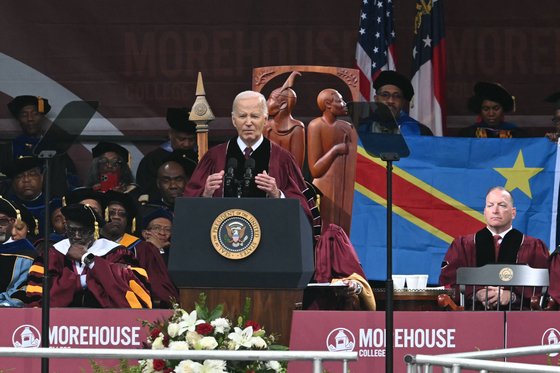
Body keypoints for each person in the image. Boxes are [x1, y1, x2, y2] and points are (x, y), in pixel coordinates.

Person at [184, 90, 319, 232]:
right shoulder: (214, 157)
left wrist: (278, 194)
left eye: (254, 116)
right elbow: (187, 206)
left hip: (270, 242)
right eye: (242, 116)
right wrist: (205, 195)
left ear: (265, 119)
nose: (248, 122)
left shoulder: (282, 159)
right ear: (233, 120)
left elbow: (303, 212)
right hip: (222, 241)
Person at [439, 186, 549, 309]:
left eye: (502, 205)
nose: (495, 210)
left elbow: (545, 288)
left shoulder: (534, 246)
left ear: (513, 213)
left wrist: (512, 296)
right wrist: (476, 294)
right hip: (472, 317)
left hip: (520, 318)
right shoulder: (463, 245)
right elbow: (448, 284)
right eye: (490, 205)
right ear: (484, 211)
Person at [25, 203, 152, 308]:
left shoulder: (116, 252)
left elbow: (130, 287)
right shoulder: (52, 254)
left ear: (95, 231)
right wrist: (84, 281)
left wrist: (88, 259)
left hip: (106, 325)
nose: (77, 236)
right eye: (72, 230)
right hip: (59, 326)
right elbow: (38, 296)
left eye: (83, 231)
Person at [6, 95, 80, 195]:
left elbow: (70, 179)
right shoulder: (9, 149)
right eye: (24, 115)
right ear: (18, 119)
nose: (30, 119)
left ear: (42, 117)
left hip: (51, 202)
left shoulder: (55, 148)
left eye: (35, 114)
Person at [307, 89, 357, 235]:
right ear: (328, 104)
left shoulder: (346, 128)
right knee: (324, 228)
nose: (344, 104)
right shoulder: (316, 126)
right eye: (340, 100)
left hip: (344, 187)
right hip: (324, 188)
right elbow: (315, 170)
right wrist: (335, 150)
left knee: (343, 229)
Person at [136, 107, 198, 197]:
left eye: (191, 139)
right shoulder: (152, 160)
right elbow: (146, 189)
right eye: (181, 139)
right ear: (170, 134)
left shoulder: (203, 157)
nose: (186, 144)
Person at [0, 197, 39, 307]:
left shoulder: (26, 254)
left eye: (2, 221)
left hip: (8, 310)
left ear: (12, 222)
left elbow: (24, 288)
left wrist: (6, 303)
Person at [263, 71, 306, 168]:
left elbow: (297, 166)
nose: (266, 102)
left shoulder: (297, 128)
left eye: (270, 99)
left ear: (283, 105)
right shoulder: (266, 126)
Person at [371, 70, 433, 136]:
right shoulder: (362, 128)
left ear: (402, 102)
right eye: (385, 95)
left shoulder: (420, 132)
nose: (391, 101)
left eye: (397, 96)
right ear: (376, 99)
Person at [459, 82, 526, 138]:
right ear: (480, 110)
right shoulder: (468, 134)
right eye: (486, 109)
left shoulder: (516, 134)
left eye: (496, 108)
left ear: (503, 109)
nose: (491, 114)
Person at [5, 156, 50, 236]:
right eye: (19, 176)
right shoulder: (6, 208)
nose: (26, 180)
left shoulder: (53, 205)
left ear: (42, 177)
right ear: (12, 182)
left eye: (32, 174)